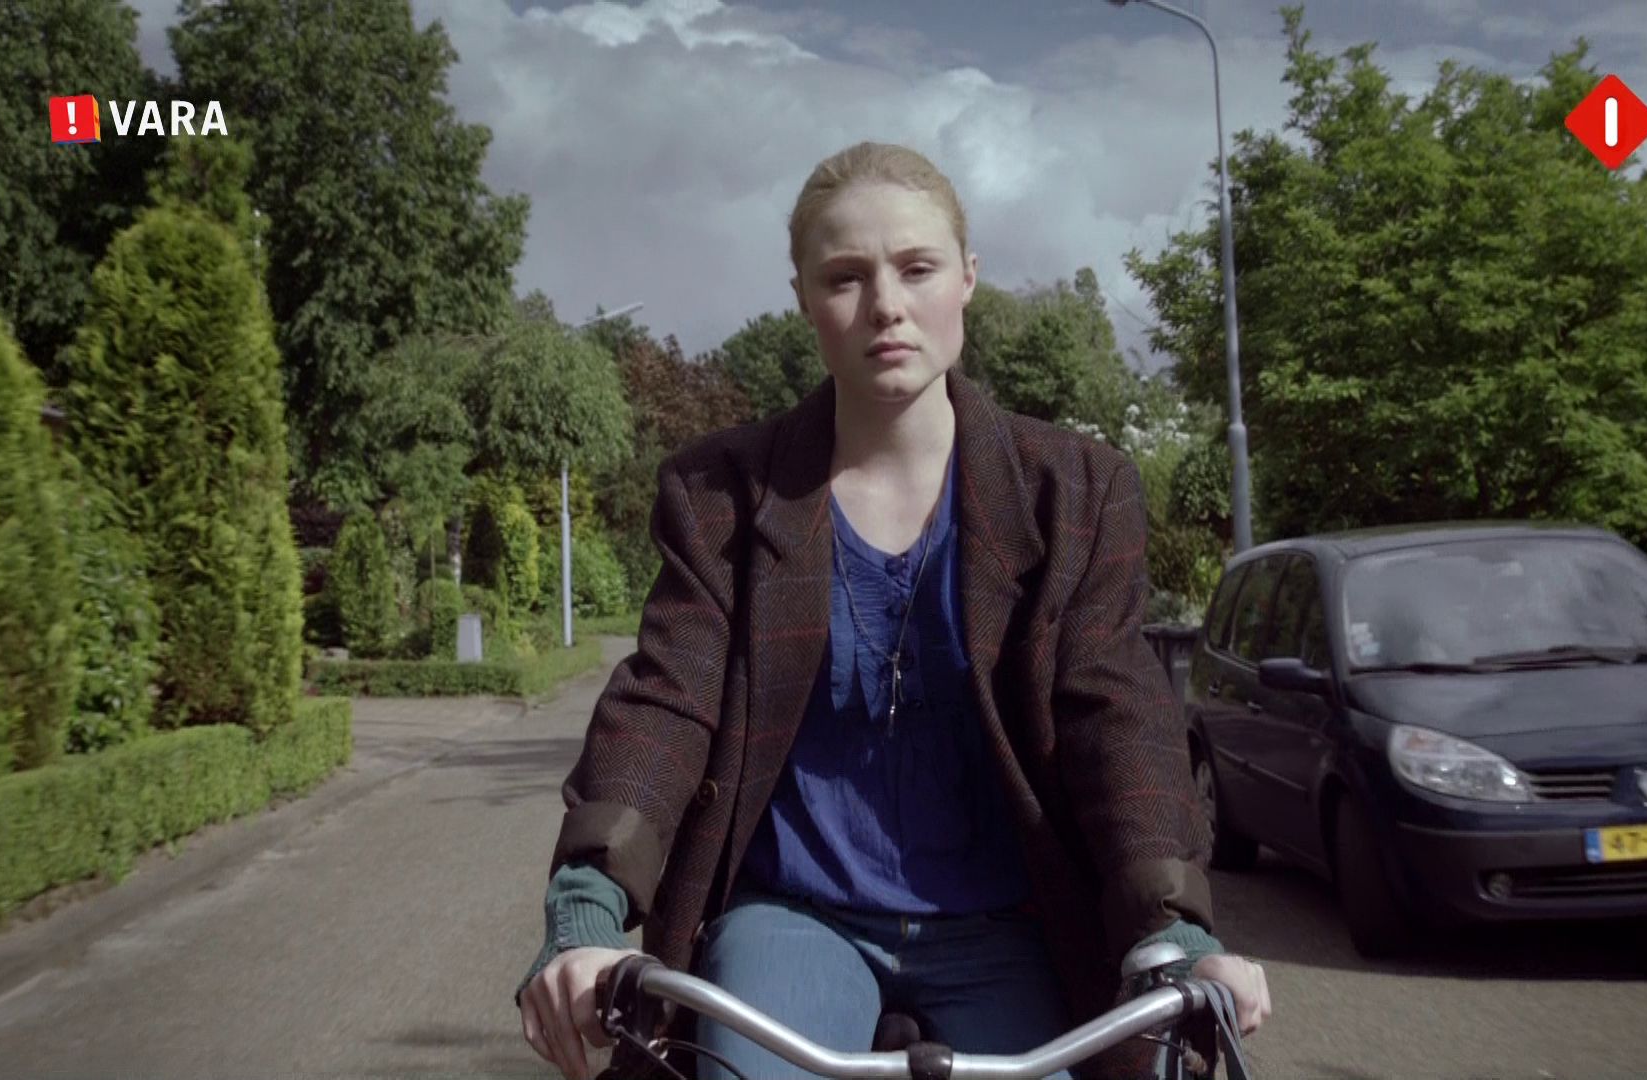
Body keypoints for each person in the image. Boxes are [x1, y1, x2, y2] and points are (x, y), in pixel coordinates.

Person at [514, 141, 1272, 1080]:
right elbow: (668, 700)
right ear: (804, 299)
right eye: (846, 277)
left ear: (967, 278)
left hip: (1008, 924)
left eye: (917, 268)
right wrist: (586, 907)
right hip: (792, 916)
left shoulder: (1076, 491)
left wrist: (1174, 930)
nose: (886, 305)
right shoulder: (720, 496)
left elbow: (1116, 715)